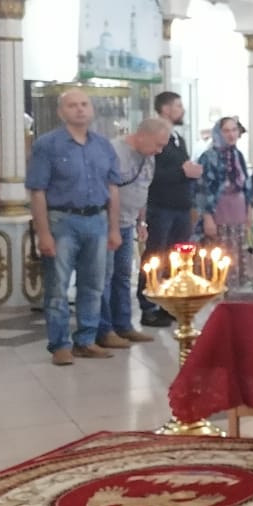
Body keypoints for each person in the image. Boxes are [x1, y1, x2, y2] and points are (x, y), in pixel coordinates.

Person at [26, 89, 121, 366]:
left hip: (97, 220)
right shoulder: (47, 145)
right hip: (62, 220)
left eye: (84, 104)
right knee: (58, 286)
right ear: (61, 112)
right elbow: (38, 191)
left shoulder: (103, 145)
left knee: (94, 285)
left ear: (91, 109)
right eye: (72, 105)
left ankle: (86, 340)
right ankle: (60, 345)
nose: (80, 109)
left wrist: (114, 228)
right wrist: (44, 233)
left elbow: (113, 188)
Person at [96, 117, 171, 350]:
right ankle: (104, 330)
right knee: (105, 277)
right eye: (157, 144)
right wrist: (113, 227)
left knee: (123, 276)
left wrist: (142, 222)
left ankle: (124, 325)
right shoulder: (114, 151)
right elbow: (107, 190)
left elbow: (142, 190)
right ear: (143, 135)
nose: (159, 151)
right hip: (107, 224)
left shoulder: (149, 157)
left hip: (129, 223)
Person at [138, 91, 202, 329]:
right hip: (161, 206)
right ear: (165, 109)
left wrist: (191, 174)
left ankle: (169, 302)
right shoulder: (154, 139)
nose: (182, 109)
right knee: (155, 256)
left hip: (180, 205)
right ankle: (148, 305)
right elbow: (150, 175)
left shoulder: (178, 139)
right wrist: (182, 172)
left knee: (176, 257)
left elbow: (182, 170)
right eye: (178, 105)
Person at [197, 117, 253, 291]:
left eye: (234, 130)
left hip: (238, 213)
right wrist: (207, 217)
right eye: (226, 131)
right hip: (219, 213)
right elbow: (203, 190)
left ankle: (234, 292)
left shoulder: (238, 155)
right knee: (219, 253)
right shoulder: (208, 157)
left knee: (236, 253)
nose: (231, 135)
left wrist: (249, 210)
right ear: (218, 132)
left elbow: (246, 185)